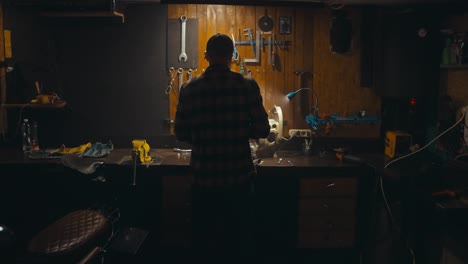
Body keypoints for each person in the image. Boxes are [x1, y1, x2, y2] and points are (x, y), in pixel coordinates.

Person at [174, 33, 270, 262]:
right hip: (238, 182)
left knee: (203, 245)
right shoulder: (247, 86)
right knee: (237, 244)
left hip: (203, 181)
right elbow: (263, 130)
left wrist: (204, 133)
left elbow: (180, 133)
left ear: (206, 56)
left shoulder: (189, 88)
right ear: (232, 56)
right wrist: (240, 130)